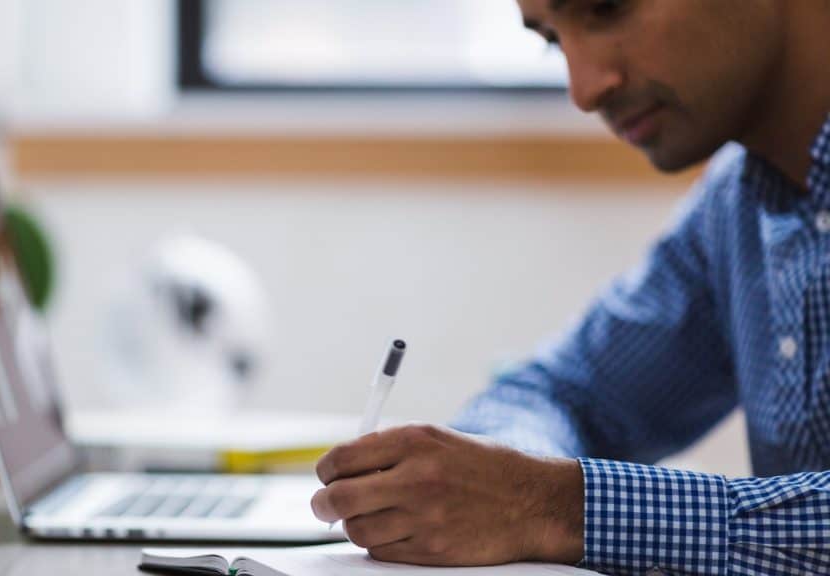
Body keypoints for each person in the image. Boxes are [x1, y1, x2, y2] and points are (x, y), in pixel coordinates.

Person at [309, 1, 830, 574]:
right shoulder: (736, 203)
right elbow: (560, 394)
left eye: (606, 10)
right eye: (553, 41)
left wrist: (553, 506)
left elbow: (545, 495)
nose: (584, 91)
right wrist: (495, 482)